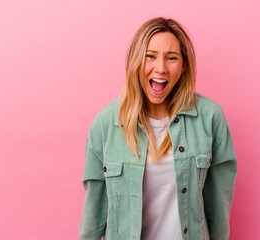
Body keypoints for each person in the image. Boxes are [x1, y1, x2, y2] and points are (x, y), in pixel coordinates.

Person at [79, 17, 237, 240]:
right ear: (136, 61)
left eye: (171, 58)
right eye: (150, 56)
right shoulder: (105, 124)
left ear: (183, 67)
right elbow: (93, 218)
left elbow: (218, 210)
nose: (160, 68)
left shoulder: (210, 118)